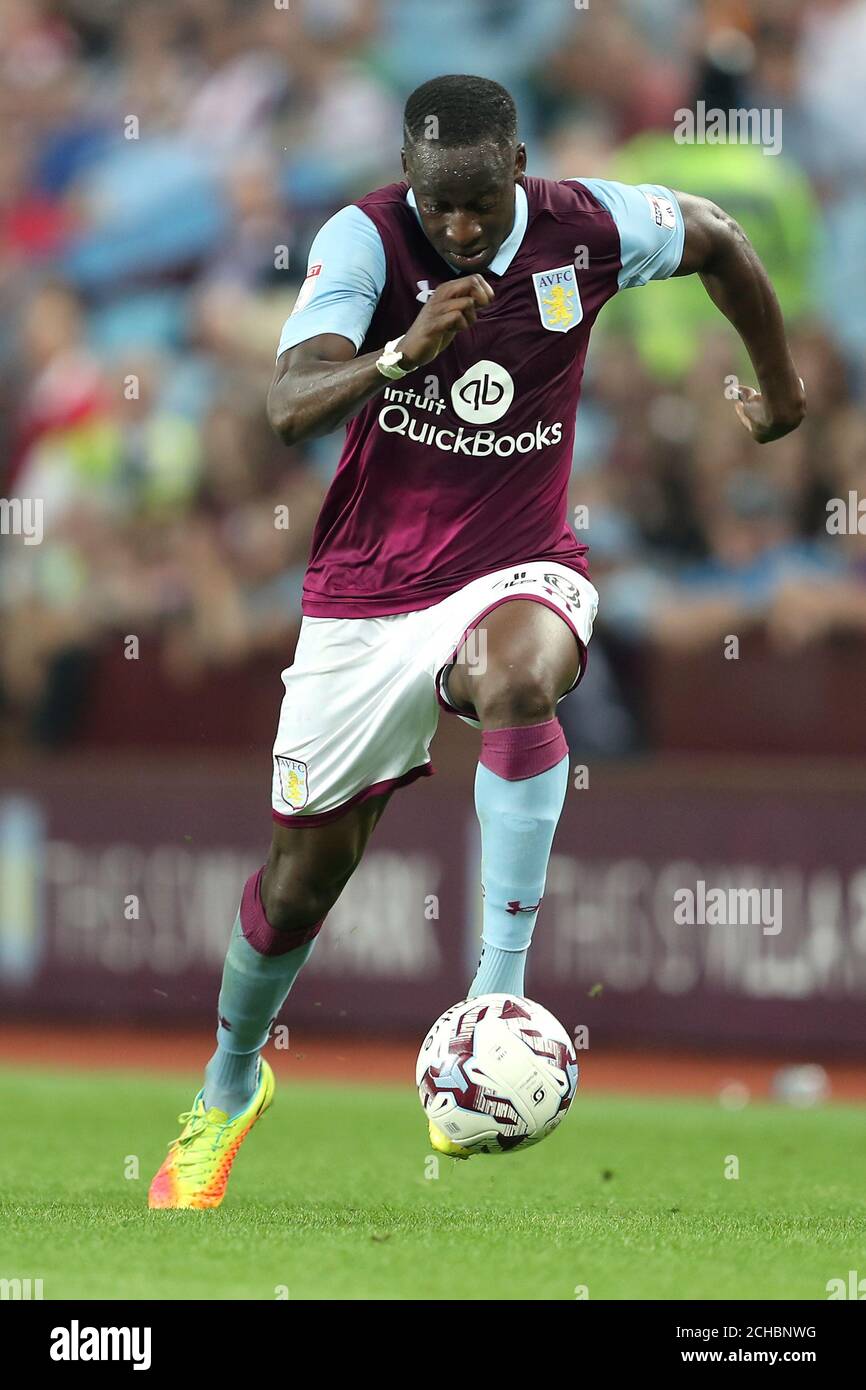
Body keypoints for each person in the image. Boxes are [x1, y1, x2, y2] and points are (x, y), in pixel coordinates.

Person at [149, 74, 805, 1208]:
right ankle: (227, 1083)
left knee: (517, 674)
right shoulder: (362, 238)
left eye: (476, 203)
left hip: (517, 559)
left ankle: (491, 1004)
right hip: (365, 593)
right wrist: (399, 354)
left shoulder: (586, 226)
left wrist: (779, 388)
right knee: (298, 883)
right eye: (435, 203)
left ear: (515, 166)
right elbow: (288, 403)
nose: (455, 227)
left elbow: (719, 239)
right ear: (409, 176)